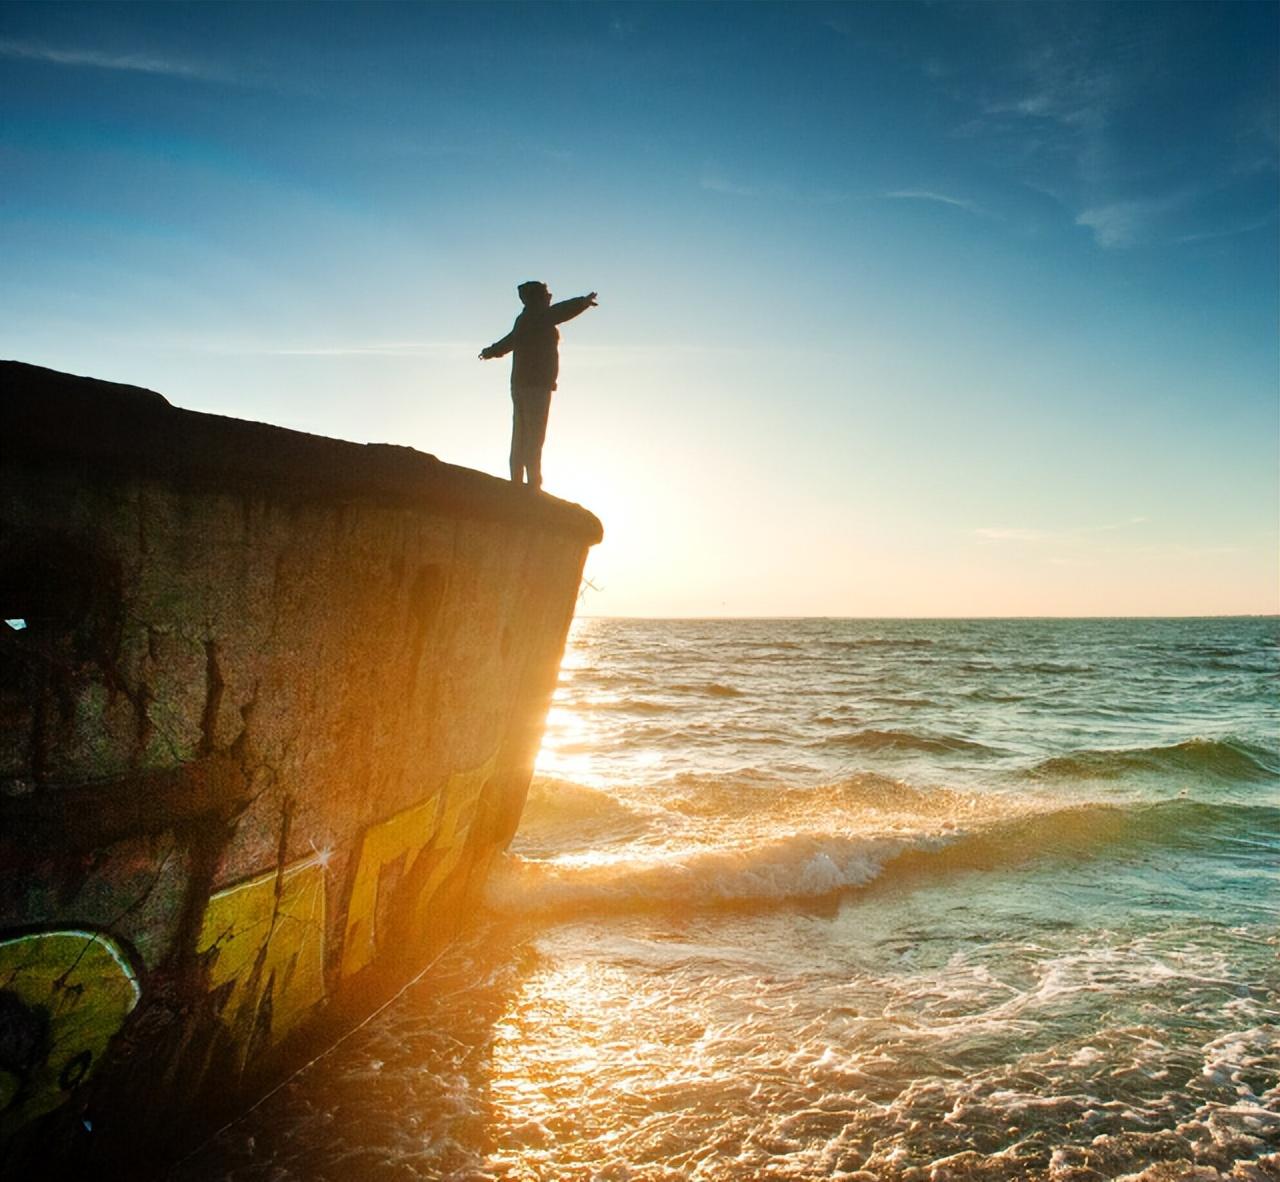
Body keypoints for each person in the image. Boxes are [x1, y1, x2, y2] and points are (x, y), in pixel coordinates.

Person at [479, 281, 597, 489]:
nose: (549, 296)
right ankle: (533, 484)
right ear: (537, 297)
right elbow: (561, 311)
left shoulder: (524, 319)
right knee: (534, 434)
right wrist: (583, 302)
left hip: (521, 384)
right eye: (546, 293)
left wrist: (491, 351)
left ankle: (517, 480)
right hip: (536, 386)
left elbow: (509, 342)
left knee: (521, 432)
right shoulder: (539, 316)